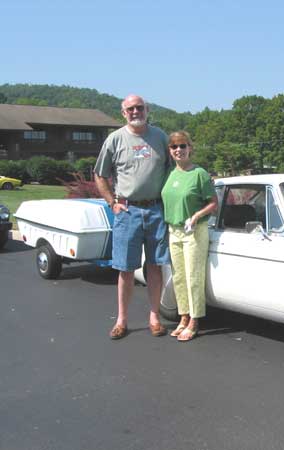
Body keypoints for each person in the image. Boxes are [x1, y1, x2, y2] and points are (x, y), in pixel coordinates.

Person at [94, 94, 171, 339]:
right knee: (125, 269)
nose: (135, 111)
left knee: (155, 266)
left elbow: (174, 169)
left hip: (157, 210)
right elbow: (100, 174)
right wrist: (111, 202)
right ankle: (122, 320)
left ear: (147, 109)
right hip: (127, 212)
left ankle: (154, 316)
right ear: (123, 113)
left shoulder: (160, 137)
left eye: (139, 107)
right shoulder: (115, 139)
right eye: (130, 109)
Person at [161, 131, 218, 342]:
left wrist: (197, 215)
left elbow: (213, 203)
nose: (179, 150)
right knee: (178, 276)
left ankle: (194, 320)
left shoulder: (199, 174)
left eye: (183, 146)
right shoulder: (169, 174)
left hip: (194, 231)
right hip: (173, 230)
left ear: (190, 148)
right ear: (170, 151)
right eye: (174, 147)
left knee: (193, 277)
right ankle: (183, 317)